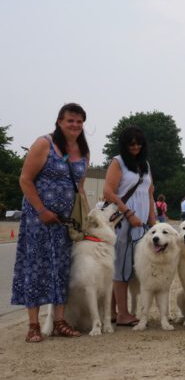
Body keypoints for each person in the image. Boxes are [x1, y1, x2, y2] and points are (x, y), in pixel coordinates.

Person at [12, 103, 89, 342]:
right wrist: (41, 209)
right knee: (35, 268)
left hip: (65, 223)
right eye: (70, 121)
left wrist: (83, 217)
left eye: (79, 121)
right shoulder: (44, 144)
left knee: (62, 269)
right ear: (59, 122)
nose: (74, 125)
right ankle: (33, 324)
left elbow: (80, 188)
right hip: (39, 220)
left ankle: (59, 321)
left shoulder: (83, 151)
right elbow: (25, 179)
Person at [103, 125, 157, 327]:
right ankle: (123, 313)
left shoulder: (145, 165)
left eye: (139, 143)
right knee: (121, 267)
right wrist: (128, 213)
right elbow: (108, 191)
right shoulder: (118, 162)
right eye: (131, 143)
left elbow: (149, 194)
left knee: (132, 266)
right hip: (124, 222)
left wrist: (153, 222)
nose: (135, 146)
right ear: (125, 145)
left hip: (141, 224)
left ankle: (112, 311)